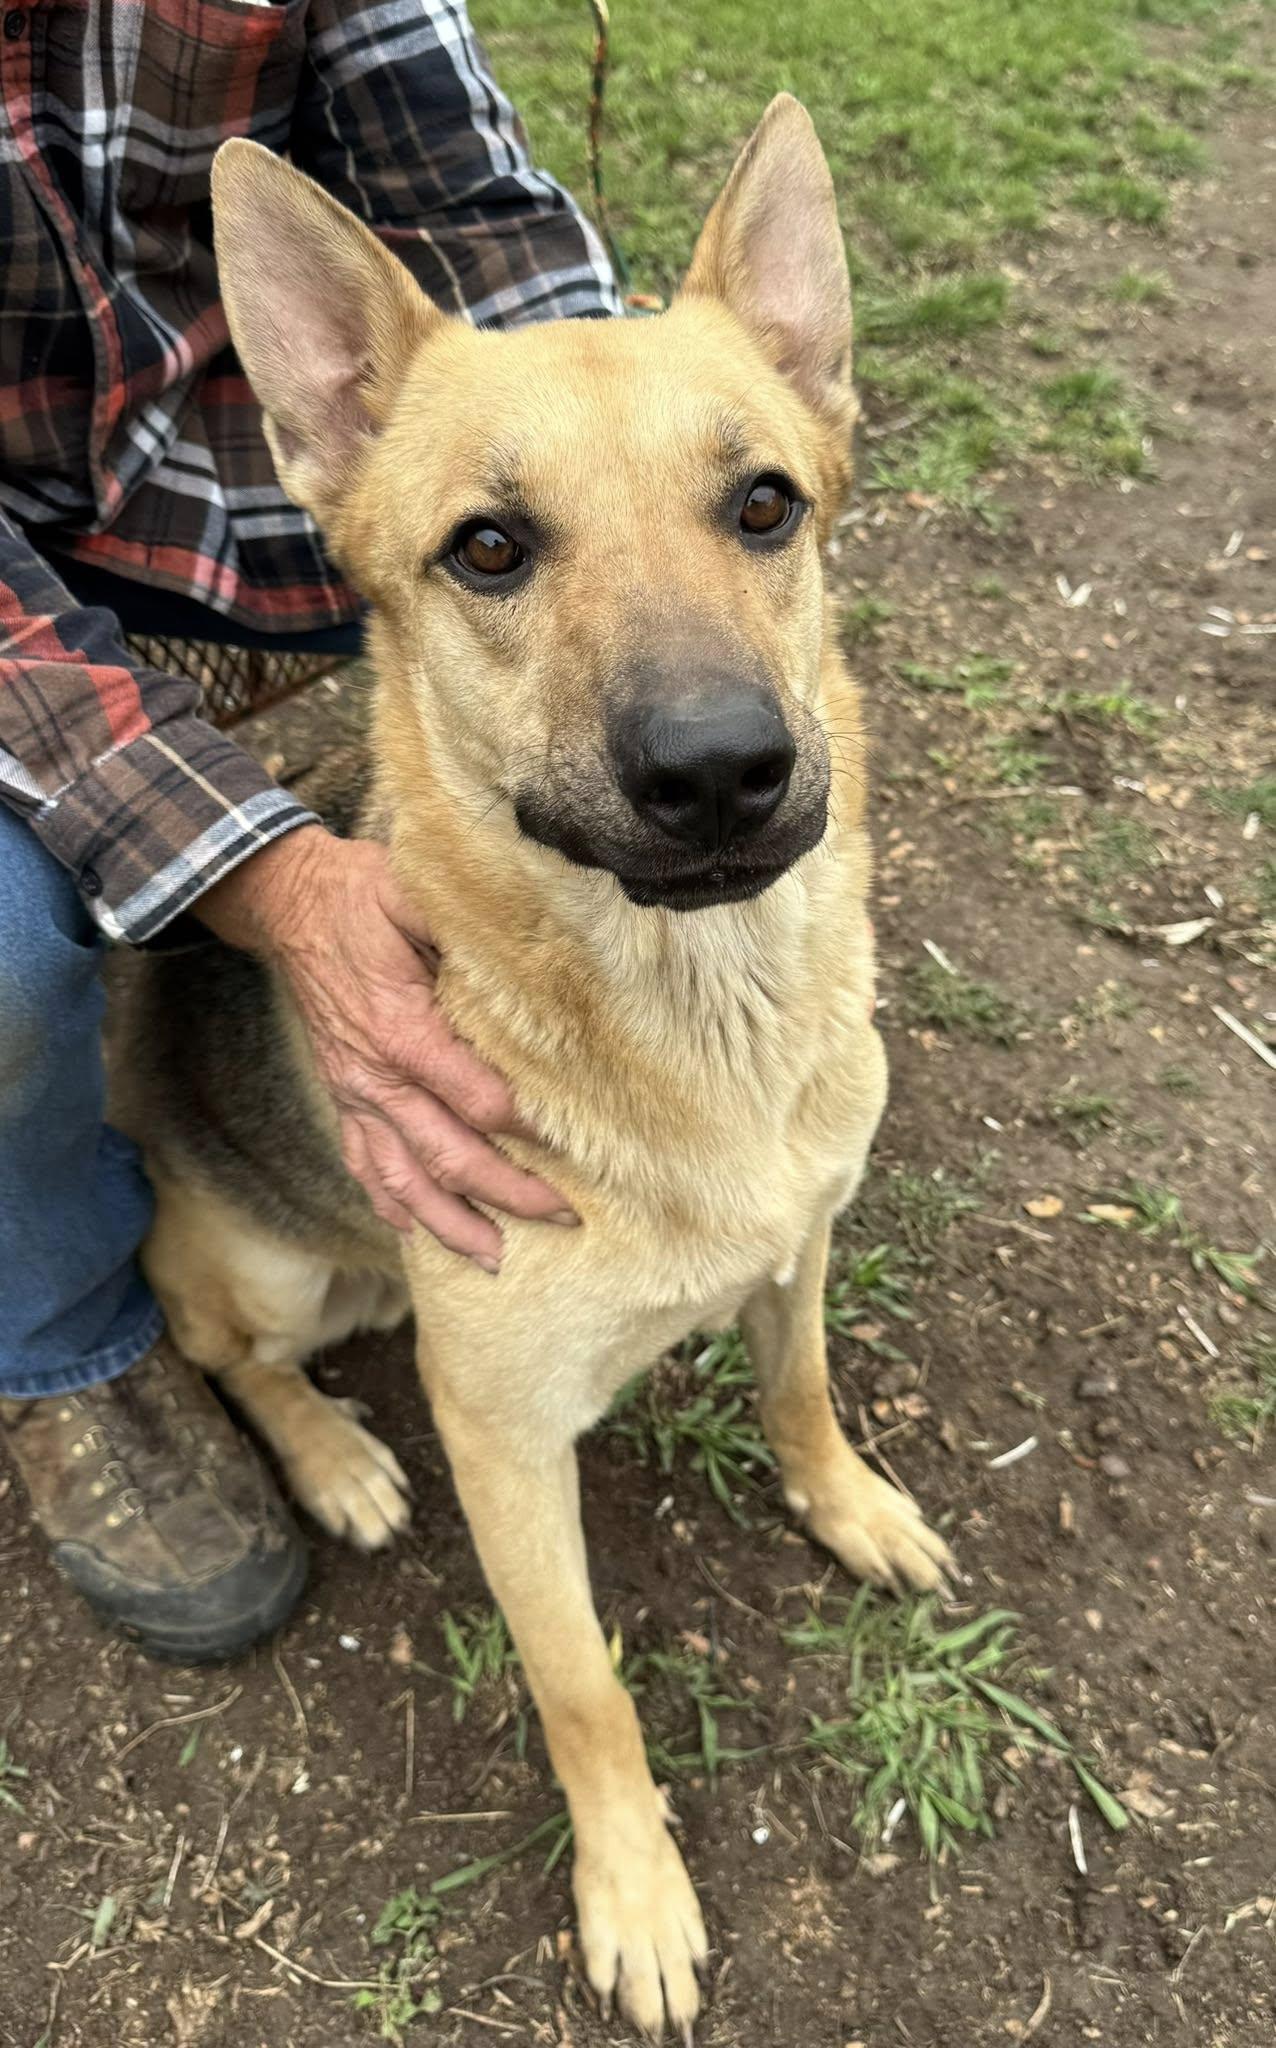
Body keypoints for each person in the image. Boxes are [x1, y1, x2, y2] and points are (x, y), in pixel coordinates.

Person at [0, 0, 619, 1661]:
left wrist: (586, 454)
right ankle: (77, 1344)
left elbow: (473, 207)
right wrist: (264, 868)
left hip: (218, 522)